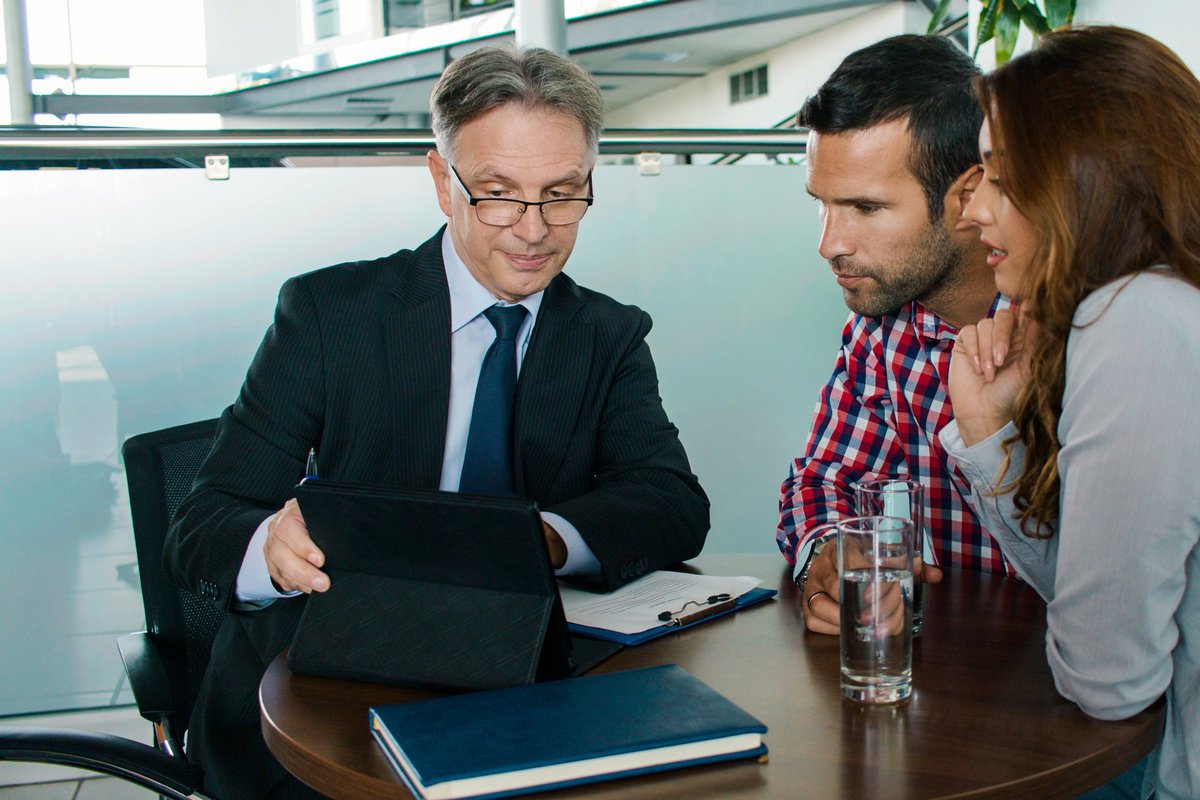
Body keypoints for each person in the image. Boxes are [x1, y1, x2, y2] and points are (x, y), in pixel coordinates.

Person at [164, 45, 709, 799]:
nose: (533, 230)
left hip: (522, 682)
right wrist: (273, 548)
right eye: (498, 194)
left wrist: (541, 540)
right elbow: (201, 524)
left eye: (562, 194)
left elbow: (673, 504)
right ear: (440, 181)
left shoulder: (606, 334)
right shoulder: (330, 316)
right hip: (326, 690)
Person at [943, 26, 1200, 800]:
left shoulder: (1139, 317)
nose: (972, 212)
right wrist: (992, 436)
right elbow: (1109, 604)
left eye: (997, 174)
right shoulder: (1162, 303)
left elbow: (1105, 676)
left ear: (1081, 176)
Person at [776, 34, 1014, 634]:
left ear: (967, 197)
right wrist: (829, 553)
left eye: (865, 208)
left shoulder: (1080, 329)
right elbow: (825, 481)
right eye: (823, 205)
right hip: (940, 676)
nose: (830, 243)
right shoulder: (879, 330)